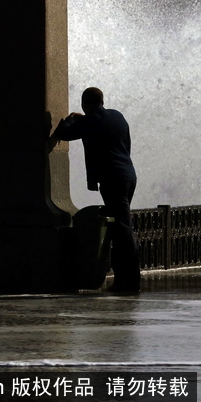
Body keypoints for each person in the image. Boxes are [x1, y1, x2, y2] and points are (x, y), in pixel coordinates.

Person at [52, 87, 141, 293]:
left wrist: (72, 119)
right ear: (102, 100)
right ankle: (125, 280)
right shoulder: (117, 116)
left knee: (123, 231)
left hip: (112, 179)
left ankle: (129, 282)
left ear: (85, 104)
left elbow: (63, 133)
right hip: (129, 176)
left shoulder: (90, 121)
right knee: (122, 228)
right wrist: (84, 119)